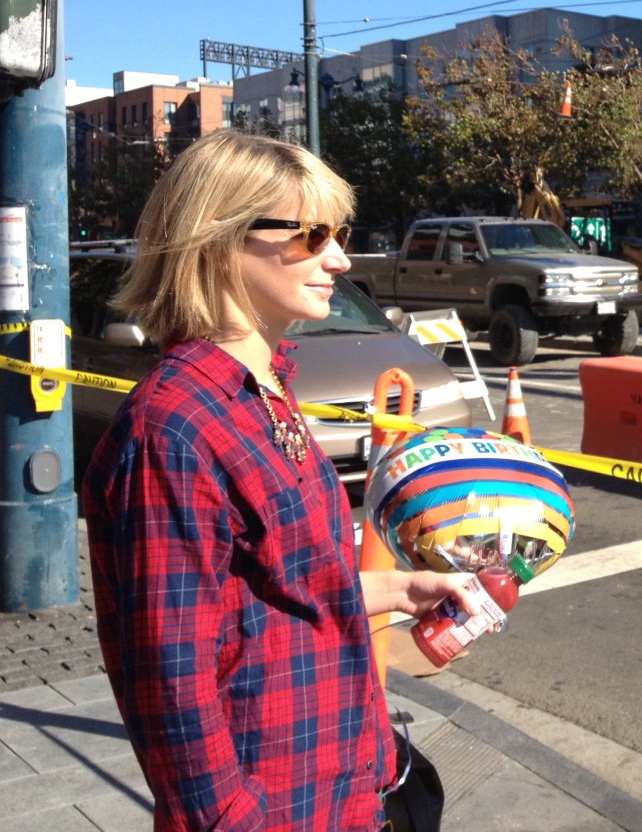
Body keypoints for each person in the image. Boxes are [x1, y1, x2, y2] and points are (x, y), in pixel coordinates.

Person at [81, 130, 483, 832]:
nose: (340, 256)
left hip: (346, 784)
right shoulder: (173, 430)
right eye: (311, 234)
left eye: (340, 231)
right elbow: (173, 688)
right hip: (281, 807)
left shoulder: (265, 389)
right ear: (217, 241)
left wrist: (399, 588)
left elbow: (276, 594)